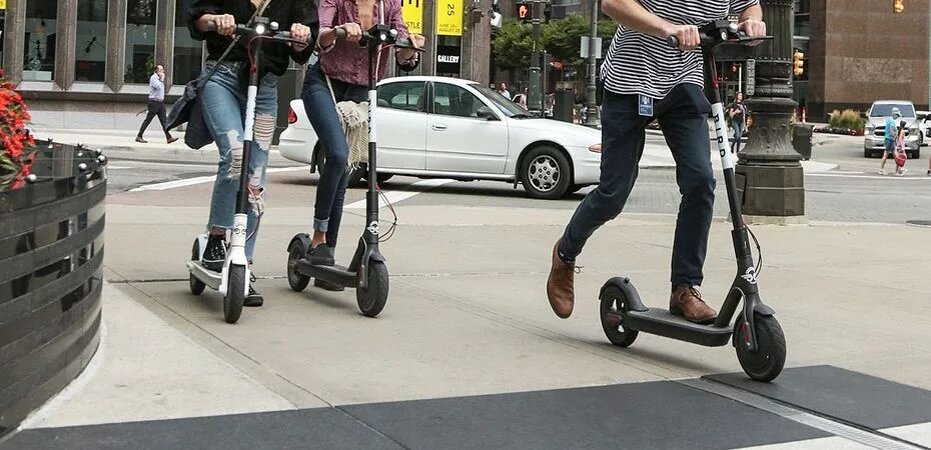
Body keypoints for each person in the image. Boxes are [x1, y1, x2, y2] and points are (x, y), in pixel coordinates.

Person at [546, 0, 767, 323]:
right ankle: (565, 253)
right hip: (630, 80)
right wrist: (667, 28)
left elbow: (751, 7)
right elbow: (611, 4)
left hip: (684, 83)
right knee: (613, 195)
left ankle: (684, 288)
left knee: (701, 182)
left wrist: (752, 24)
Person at [188, 0, 315, 306]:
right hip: (223, 78)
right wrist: (216, 20)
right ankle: (217, 237)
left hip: (265, 85)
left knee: (256, 177)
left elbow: (305, 45)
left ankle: (243, 261)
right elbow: (197, 20)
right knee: (235, 156)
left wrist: (302, 35)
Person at [301, 0, 423, 290]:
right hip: (325, 83)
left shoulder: (389, 4)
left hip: (361, 91)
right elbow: (320, 39)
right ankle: (319, 236)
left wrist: (410, 47)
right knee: (337, 155)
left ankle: (327, 249)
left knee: (344, 169)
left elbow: (403, 52)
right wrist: (339, 31)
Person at [136, 65, 178, 144]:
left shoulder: (158, 79)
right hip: (154, 102)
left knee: (164, 121)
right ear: (157, 71)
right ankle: (139, 136)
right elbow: (158, 87)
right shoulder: (154, 78)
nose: (163, 71)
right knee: (148, 120)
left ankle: (169, 137)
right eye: (161, 70)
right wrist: (162, 79)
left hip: (160, 103)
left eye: (163, 69)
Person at [879, 107, 902, 175]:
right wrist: (895, 138)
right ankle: (881, 169)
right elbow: (892, 131)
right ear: (894, 114)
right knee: (886, 154)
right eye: (897, 115)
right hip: (890, 140)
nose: (898, 117)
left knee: (895, 155)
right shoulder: (892, 121)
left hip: (889, 139)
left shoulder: (888, 120)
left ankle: (899, 169)